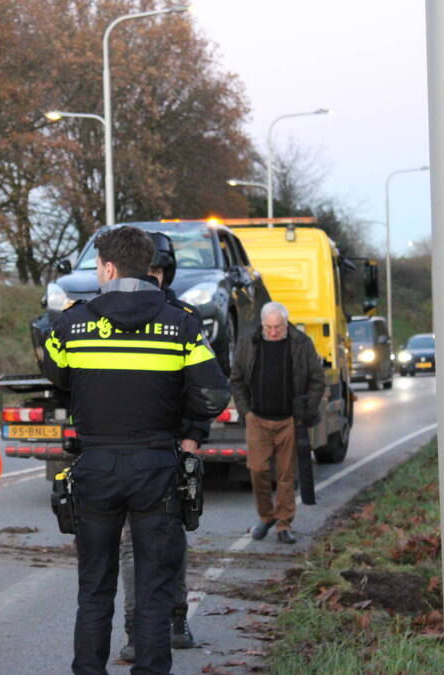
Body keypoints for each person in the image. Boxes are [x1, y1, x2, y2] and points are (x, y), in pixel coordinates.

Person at [42, 226, 230, 675]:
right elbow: (214, 395)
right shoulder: (181, 321)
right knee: (154, 590)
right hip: (156, 466)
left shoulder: (73, 321)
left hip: (96, 465)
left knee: (94, 590)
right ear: (148, 268)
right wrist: (176, 408)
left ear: (107, 267)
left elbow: (55, 372)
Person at [117, 231, 207, 662]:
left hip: (170, 447)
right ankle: (135, 630)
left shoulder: (183, 316)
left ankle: (176, 619)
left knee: (171, 543)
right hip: (123, 449)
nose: (150, 277)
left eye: (156, 270)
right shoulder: (107, 314)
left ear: (164, 273)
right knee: (130, 548)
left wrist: (193, 435)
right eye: (145, 269)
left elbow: (204, 386)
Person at [229, 301, 324, 545]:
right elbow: (237, 379)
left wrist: (306, 411)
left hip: (289, 420)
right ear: (262, 324)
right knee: (258, 469)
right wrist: (246, 411)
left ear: (286, 323)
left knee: (286, 475)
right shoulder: (249, 343)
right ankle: (266, 516)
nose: (273, 332)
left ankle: (284, 523)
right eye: (268, 327)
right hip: (257, 418)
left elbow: (316, 379)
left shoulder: (301, 343)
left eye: (278, 327)